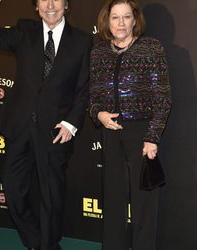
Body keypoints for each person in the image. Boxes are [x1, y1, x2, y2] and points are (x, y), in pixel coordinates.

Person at [0, 0, 93, 249]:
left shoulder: (83, 41)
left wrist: (71, 123)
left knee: (51, 196)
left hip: (55, 130)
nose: (50, 4)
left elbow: (85, 88)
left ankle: (48, 244)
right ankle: (36, 242)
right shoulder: (24, 30)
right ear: (36, 6)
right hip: (20, 127)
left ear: (66, 5)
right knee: (12, 189)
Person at [89, 0, 171, 250]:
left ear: (135, 20)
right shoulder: (98, 53)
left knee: (144, 203)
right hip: (111, 132)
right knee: (112, 199)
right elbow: (93, 97)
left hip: (142, 133)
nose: (121, 23)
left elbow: (163, 97)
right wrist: (99, 114)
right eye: (115, 18)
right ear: (107, 21)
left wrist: (152, 137)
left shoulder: (151, 48)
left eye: (126, 17)